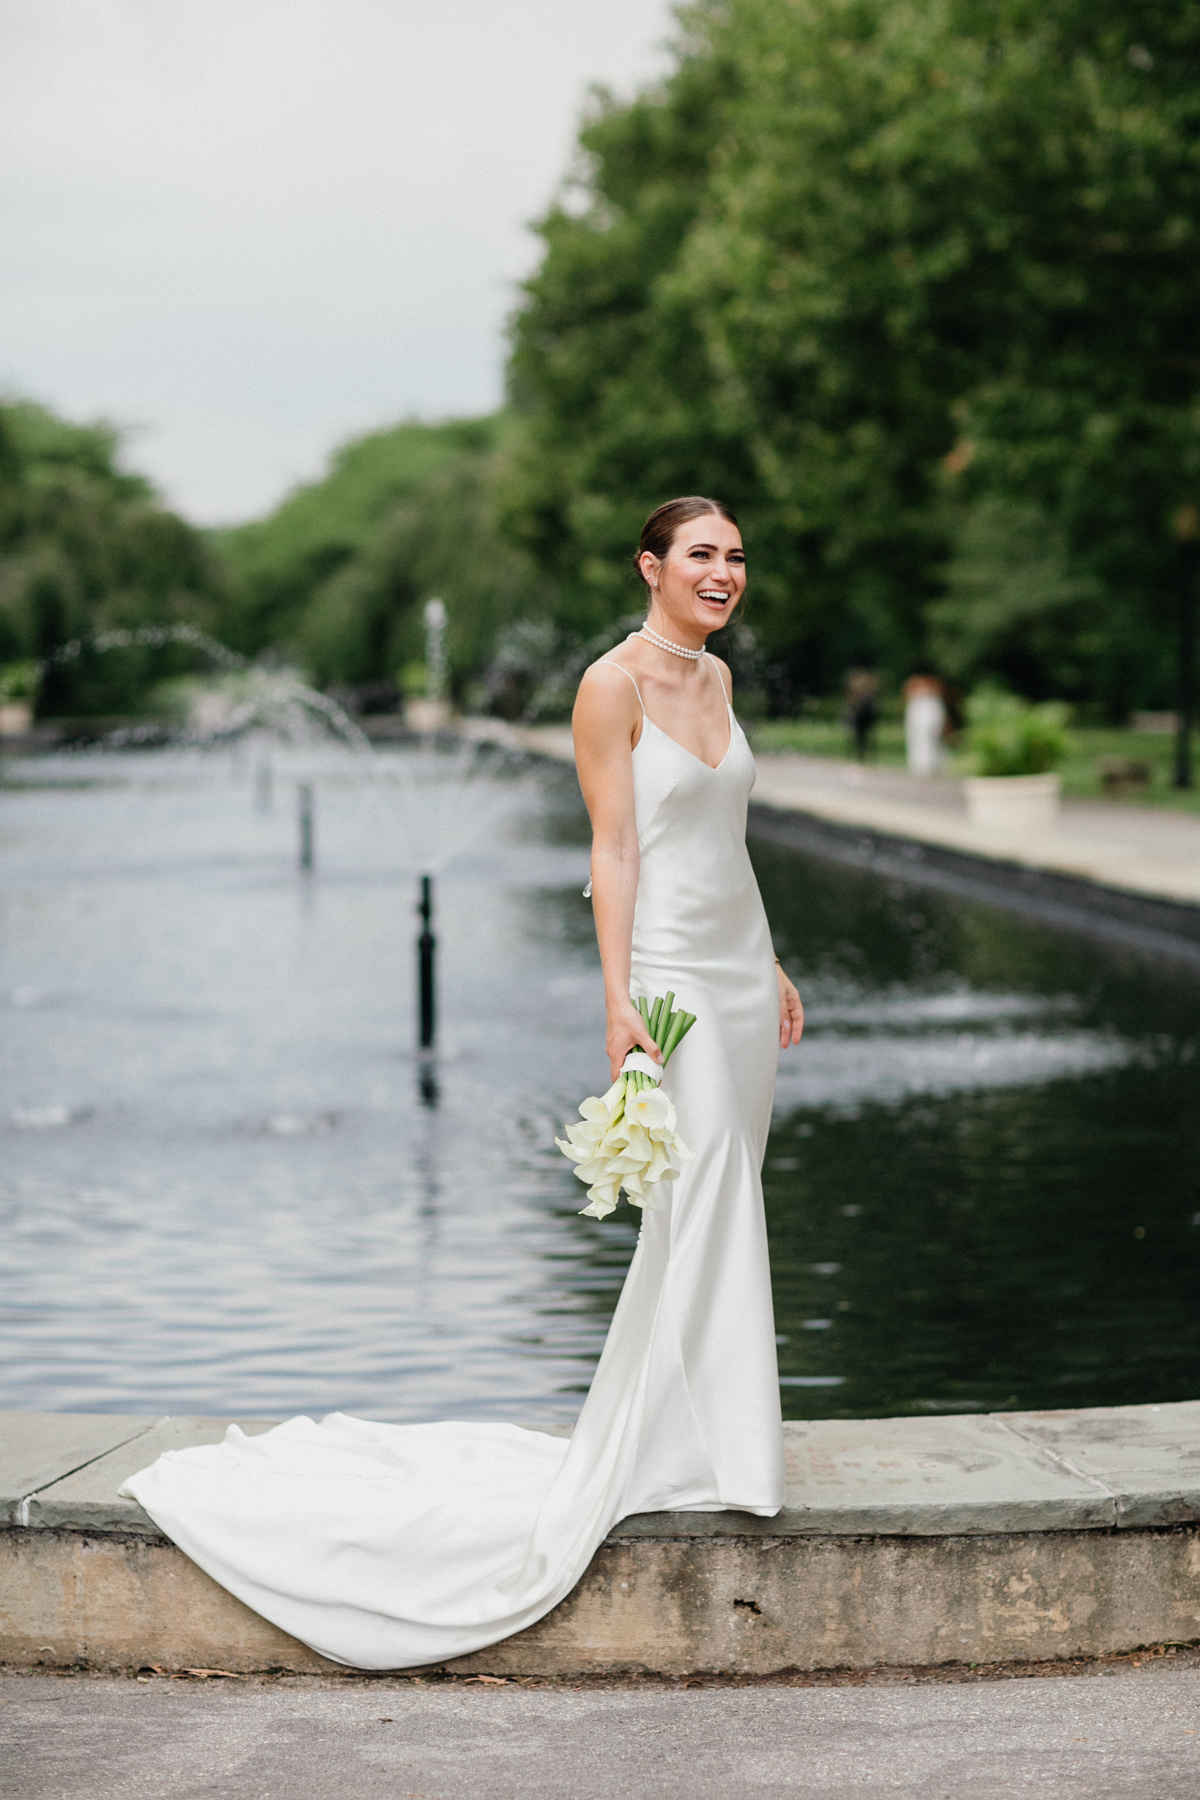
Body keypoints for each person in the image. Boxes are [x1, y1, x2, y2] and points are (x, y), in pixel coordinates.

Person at [119, 496, 805, 1671]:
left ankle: (703, 1428)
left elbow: (722, 841)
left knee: (731, 1183)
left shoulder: (722, 682)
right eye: (702, 555)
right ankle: (701, 1445)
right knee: (700, 1194)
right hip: (671, 971)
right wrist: (618, 999)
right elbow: (617, 847)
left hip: (740, 969)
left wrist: (777, 959)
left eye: (735, 558)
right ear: (651, 566)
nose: (724, 573)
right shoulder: (613, 685)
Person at [903, 665, 947, 777]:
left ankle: (932, 764)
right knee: (918, 738)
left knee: (931, 738)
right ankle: (921, 766)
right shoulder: (914, 683)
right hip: (919, 711)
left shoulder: (932, 683)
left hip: (928, 711)